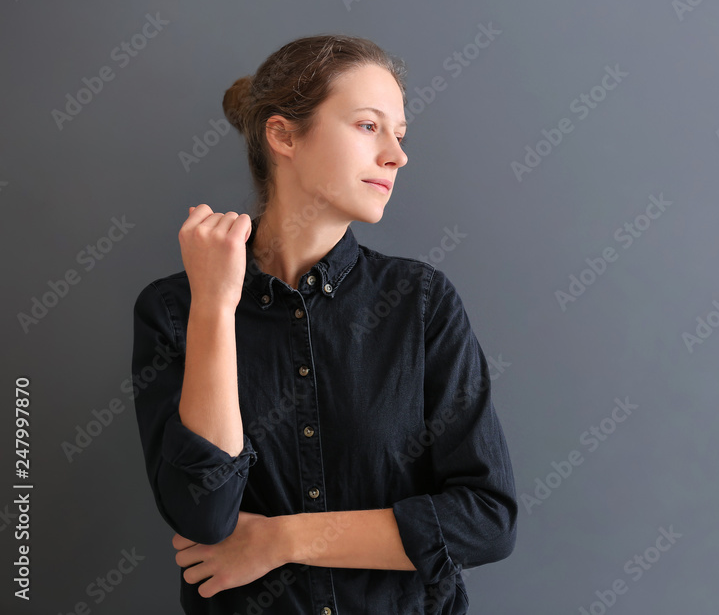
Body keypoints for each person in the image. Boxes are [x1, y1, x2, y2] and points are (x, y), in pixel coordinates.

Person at [131, 34, 517, 614]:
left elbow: (486, 520)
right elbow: (206, 515)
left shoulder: (422, 302)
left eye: (400, 134)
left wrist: (282, 540)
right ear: (284, 134)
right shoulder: (173, 310)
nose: (396, 155)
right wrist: (214, 306)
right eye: (369, 126)